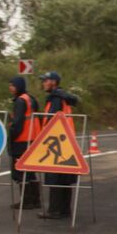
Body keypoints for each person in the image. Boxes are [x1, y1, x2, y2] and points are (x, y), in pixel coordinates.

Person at [38, 71, 80, 219]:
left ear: (53, 82)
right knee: (65, 176)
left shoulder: (55, 99)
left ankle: (54, 210)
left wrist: (42, 141)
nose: (43, 83)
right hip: (66, 141)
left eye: (46, 81)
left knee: (54, 176)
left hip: (56, 142)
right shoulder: (63, 97)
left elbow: (51, 121)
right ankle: (65, 210)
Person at [7, 76, 41, 210]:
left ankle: (26, 201)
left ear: (19, 86)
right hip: (33, 138)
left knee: (20, 171)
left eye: (13, 85)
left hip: (21, 140)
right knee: (31, 171)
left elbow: (18, 122)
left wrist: (11, 136)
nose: (10, 87)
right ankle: (35, 200)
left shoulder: (21, 101)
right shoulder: (30, 98)